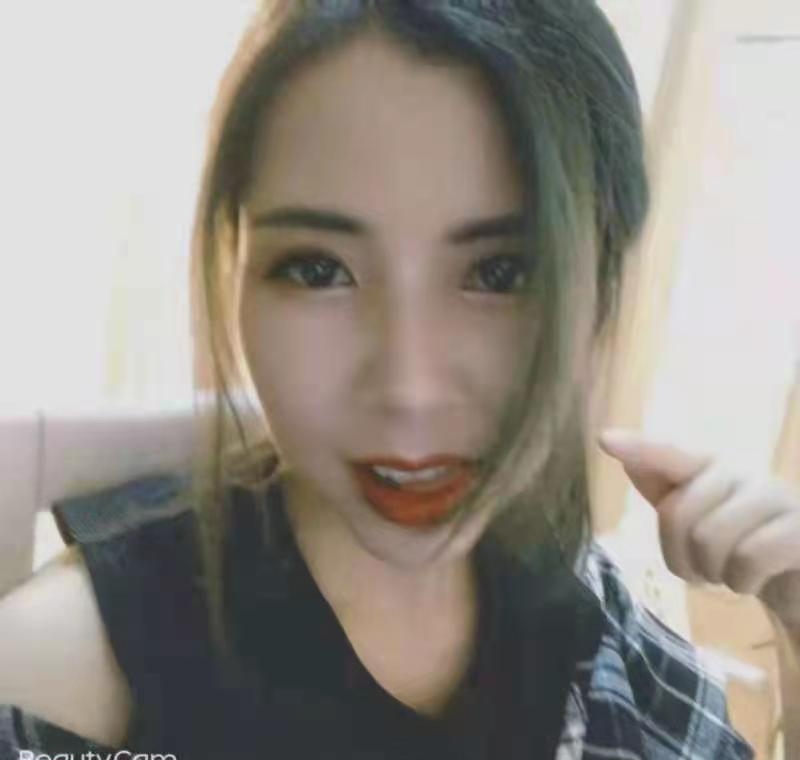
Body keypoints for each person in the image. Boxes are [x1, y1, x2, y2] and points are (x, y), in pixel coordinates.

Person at [2, 1, 798, 758]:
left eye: (500, 272)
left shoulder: (586, 616)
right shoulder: (65, 674)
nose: (409, 390)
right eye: (318, 269)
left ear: (606, 283)